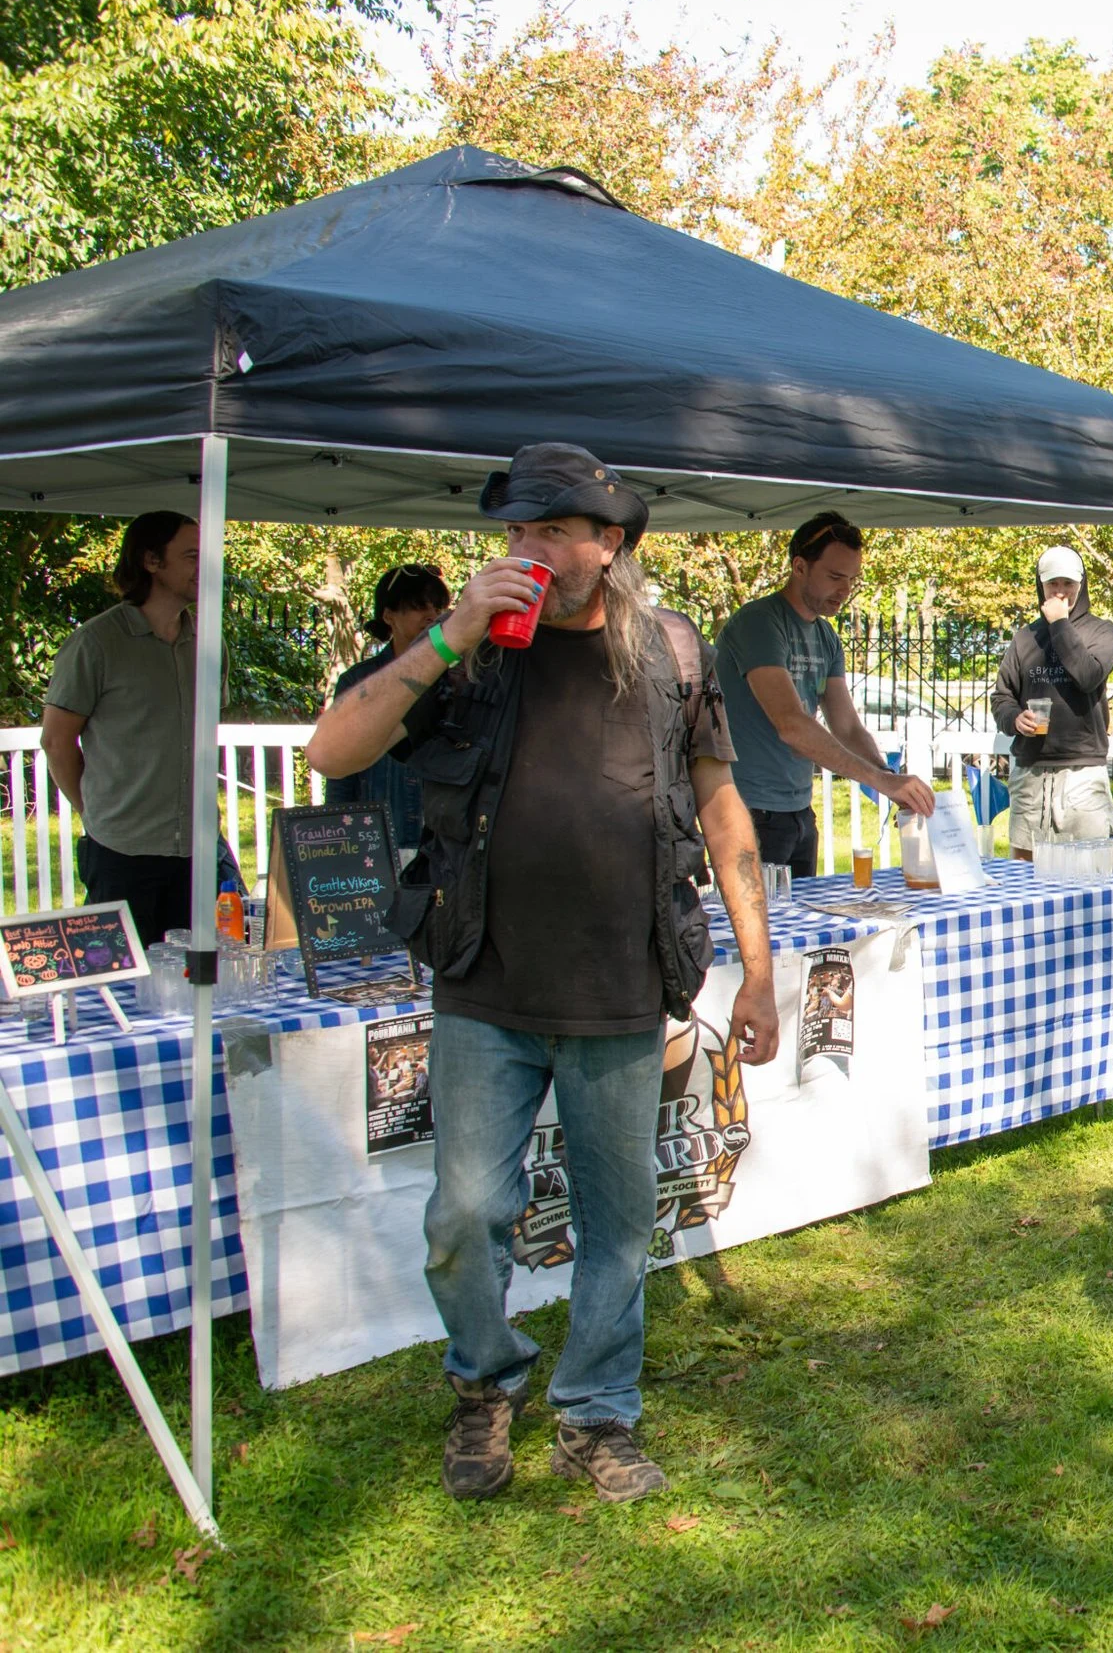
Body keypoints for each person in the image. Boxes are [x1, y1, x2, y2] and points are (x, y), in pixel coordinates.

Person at [307, 443, 780, 1505]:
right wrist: (449, 633)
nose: (525, 549)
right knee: (463, 1216)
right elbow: (333, 752)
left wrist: (756, 973)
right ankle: (484, 1385)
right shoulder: (466, 650)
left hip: (620, 989)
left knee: (618, 1226)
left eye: (549, 530)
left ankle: (596, 1415)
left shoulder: (670, 651)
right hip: (485, 986)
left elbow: (718, 805)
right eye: (514, 530)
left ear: (607, 543)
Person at [714, 511, 935, 876]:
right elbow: (791, 724)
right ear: (799, 566)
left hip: (799, 811)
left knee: (804, 928)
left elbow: (846, 726)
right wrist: (880, 780)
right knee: (756, 930)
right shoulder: (759, 622)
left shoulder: (826, 637)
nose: (845, 590)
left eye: (851, 580)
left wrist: (888, 777)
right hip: (748, 810)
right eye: (834, 577)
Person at [40, 511, 206, 945]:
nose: (205, 567)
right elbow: (56, 741)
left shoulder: (209, 643)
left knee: (200, 985)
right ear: (151, 561)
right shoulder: (96, 643)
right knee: (120, 987)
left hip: (198, 845)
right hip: (121, 850)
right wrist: (95, 815)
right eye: (191, 555)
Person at [993, 546, 1113, 860]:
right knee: (1024, 872)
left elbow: (1087, 676)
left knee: (1088, 872)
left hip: (1082, 770)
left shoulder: (1102, 631)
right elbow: (1002, 696)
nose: (1060, 592)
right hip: (1031, 769)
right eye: (1053, 584)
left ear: (1082, 584)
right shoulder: (1025, 638)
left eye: (1068, 584)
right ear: (1041, 585)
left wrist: (1060, 624)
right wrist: (1013, 719)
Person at [327, 564, 453, 856]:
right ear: (388, 615)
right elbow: (341, 771)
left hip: (441, 842)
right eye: (418, 606)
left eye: (438, 606)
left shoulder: (457, 678)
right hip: (375, 842)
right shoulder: (358, 682)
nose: (432, 615)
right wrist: (337, 836)